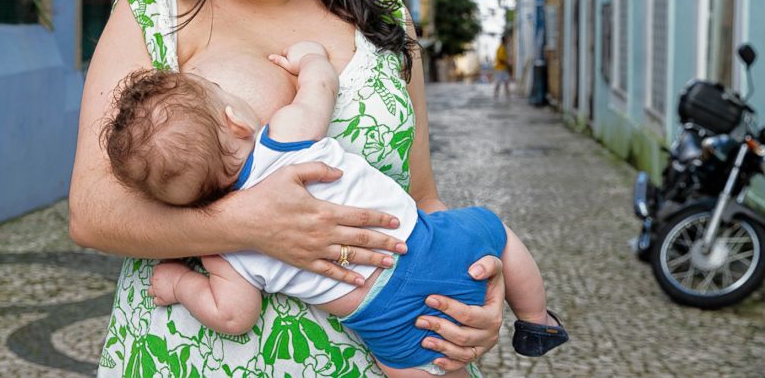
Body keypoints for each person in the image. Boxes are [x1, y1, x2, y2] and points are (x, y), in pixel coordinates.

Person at [68, 0, 506, 377]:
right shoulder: (155, 11)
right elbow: (91, 212)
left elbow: (422, 199)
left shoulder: (383, 20)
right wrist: (249, 225)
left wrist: (477, 298)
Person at [104, 40, 569, 378]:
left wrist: (178, 283)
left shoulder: (220, 248)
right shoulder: (286, 135)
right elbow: (320, 83)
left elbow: (233, 315)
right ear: (236, 119)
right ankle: (535, 321)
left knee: (415, 367)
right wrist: (308, 57)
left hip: (381, 316)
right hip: (430, 243)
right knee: (497, 231)